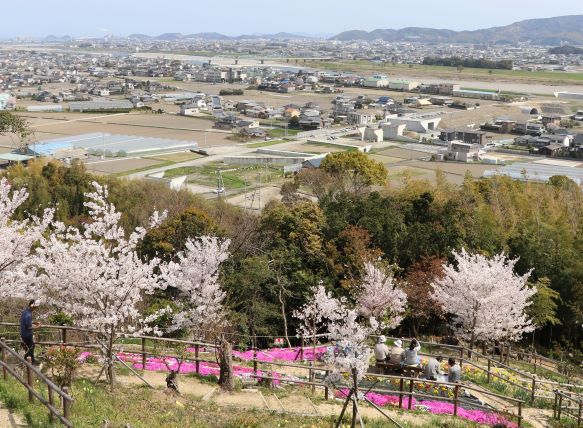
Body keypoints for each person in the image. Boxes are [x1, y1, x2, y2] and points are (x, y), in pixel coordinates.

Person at [20, 299, 40, 365]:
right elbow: (28, 327)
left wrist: (34, 322)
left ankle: (31, 360)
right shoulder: (28, 315)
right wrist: (37, 327)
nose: (35, 309)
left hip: (23, 334)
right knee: (31, 347)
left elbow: (27, 322)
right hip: (27, 334)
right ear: (32, 306)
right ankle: (26, 359)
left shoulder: (25, 311)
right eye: (35, 308)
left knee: (29, 347)